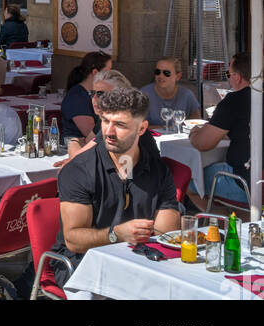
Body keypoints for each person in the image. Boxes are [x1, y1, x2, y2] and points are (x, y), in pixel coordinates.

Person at [51, 87, 180, 286]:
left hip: (139, 259)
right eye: (105, 121)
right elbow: (73, 240)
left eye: (120, 124)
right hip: (82, 263)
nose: (109, 132)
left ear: (142, 129)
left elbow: (167, 232)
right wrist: (116, 234)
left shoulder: (158, 171)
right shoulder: (79, 170)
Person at [188, 52, 254, 207]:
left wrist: (194, 132)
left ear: (237, 77)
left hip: (242, 180)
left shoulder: (234, 101)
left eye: (228, 74)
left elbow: (203, 143)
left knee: (189, 180)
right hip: (255, 179)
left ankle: (224, 224)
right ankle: (241, 219)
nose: (228, 78)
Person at [60, 51, 112, 141]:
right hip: (77, 148)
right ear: (95, 72)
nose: (111, 75)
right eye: (108, 71)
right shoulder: (77, 97)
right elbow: (92, 136)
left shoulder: (100, 93)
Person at [141, 56, 201, 127]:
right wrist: (166, 129)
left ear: (178, 76)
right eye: (157, 72)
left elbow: (197, 123)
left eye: (166, 73)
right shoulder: (144, 95)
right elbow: (137, 127)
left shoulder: (186, 95)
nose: (161, 76)